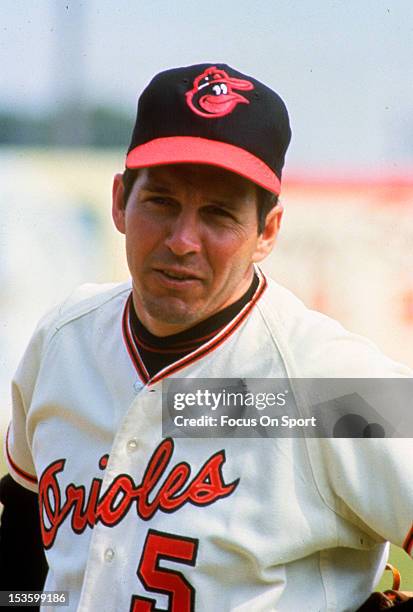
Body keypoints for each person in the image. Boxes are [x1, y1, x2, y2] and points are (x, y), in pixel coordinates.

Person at [1, 62, 413, 612]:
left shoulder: (330, 384)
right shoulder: (63, 338)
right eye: (161, 202)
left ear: (266, 231)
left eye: (219, 214)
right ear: (121, 200)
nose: (182, 240)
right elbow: (27, 555)